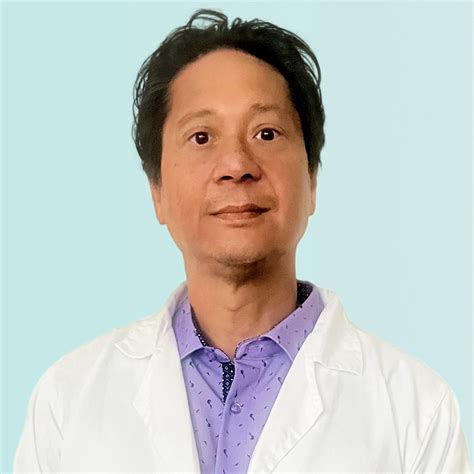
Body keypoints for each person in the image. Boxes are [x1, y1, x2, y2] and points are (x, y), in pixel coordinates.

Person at [14, 8, 471, 473]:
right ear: (157, 192)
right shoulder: (68, 401)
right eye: (201, 137)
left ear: (312, 180)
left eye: (266, 133)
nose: (236, 164)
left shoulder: (417, 410)